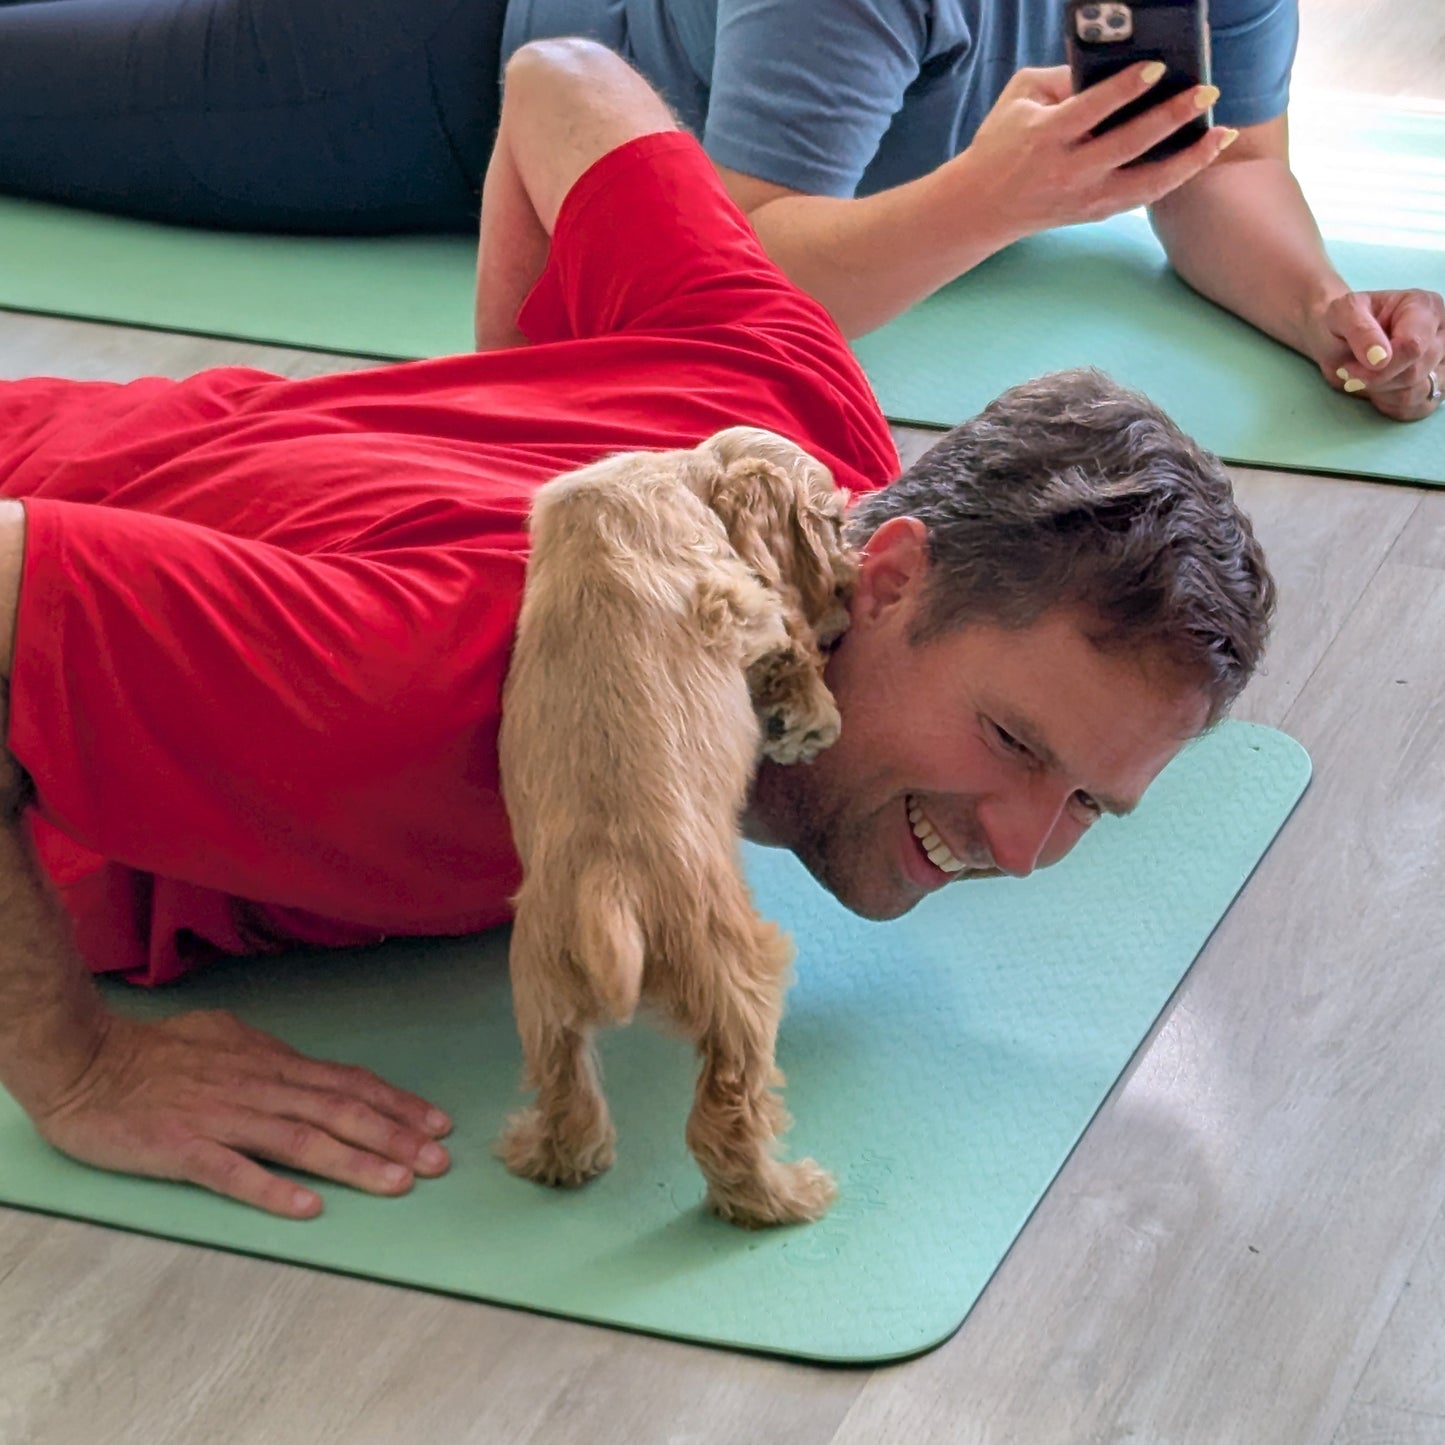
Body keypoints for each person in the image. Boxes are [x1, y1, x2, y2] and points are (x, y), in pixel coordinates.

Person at [0, 39, 1273, 1223]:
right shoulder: (437, 682)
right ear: (884, 576)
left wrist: (504, 399)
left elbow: (565, 80)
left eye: (1087, 806)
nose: (1020, 842)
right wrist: (73, 1070)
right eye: (1009, 740)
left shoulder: (799, 421)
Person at [1, 0, 1441, 419]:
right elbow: (731, 278)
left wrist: (1323, 308)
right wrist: (992, 200)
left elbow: (1230, 169)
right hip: (450, 76)